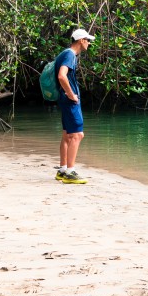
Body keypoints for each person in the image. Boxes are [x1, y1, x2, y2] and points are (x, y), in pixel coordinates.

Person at [54, 28, 95, 184]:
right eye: (88, 40)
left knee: (67, 135)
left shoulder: (65, 53)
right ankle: (70, 173)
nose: (89, 43)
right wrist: (71, 95)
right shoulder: (70, 55)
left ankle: (62, 170)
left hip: (64, 99)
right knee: (77, 135)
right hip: (70, 100)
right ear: (81, 40)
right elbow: (61, 76)